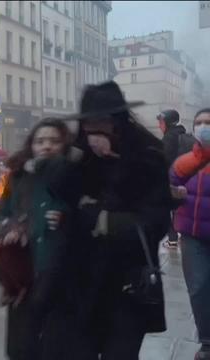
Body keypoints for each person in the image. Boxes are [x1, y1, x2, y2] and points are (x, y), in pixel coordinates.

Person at [71, 81, 171, 359]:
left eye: (101, 123)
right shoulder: (78, 155)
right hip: (84, 287)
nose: (94, 133)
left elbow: (157, 221)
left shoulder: (147, 156)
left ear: (118, 122)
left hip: (128, 286)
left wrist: (105, 221)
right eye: (89, 125)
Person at [0, 118, 82, 360]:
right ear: (32, 145)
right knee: (21, 349)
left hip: (61, 280)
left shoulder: (75, 176)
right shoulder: (18, 177)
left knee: (56, 348)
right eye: (40, 141)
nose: (46, 146)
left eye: (54, 141)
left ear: (64, 144)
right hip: (24, 278)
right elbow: (0, 214)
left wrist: (66, 218)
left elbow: (88, 217)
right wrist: (11, 228)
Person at [169, 108, 210, 360]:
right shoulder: (185, 160)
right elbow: (170, 185)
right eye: (199, 122)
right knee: (198, 288)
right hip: (192, 235)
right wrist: (172, 194)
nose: (204, 126)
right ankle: (207, 342)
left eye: (208, 122)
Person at [158, 109, 188, 249]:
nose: (159, 125)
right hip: (188, 180)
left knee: (167, 208)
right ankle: (183, 235)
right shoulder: (185, 135)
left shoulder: (169, 138)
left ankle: (172, 239)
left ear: (168, 123)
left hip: (173, 180)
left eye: (161, 122)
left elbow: (163, 161)